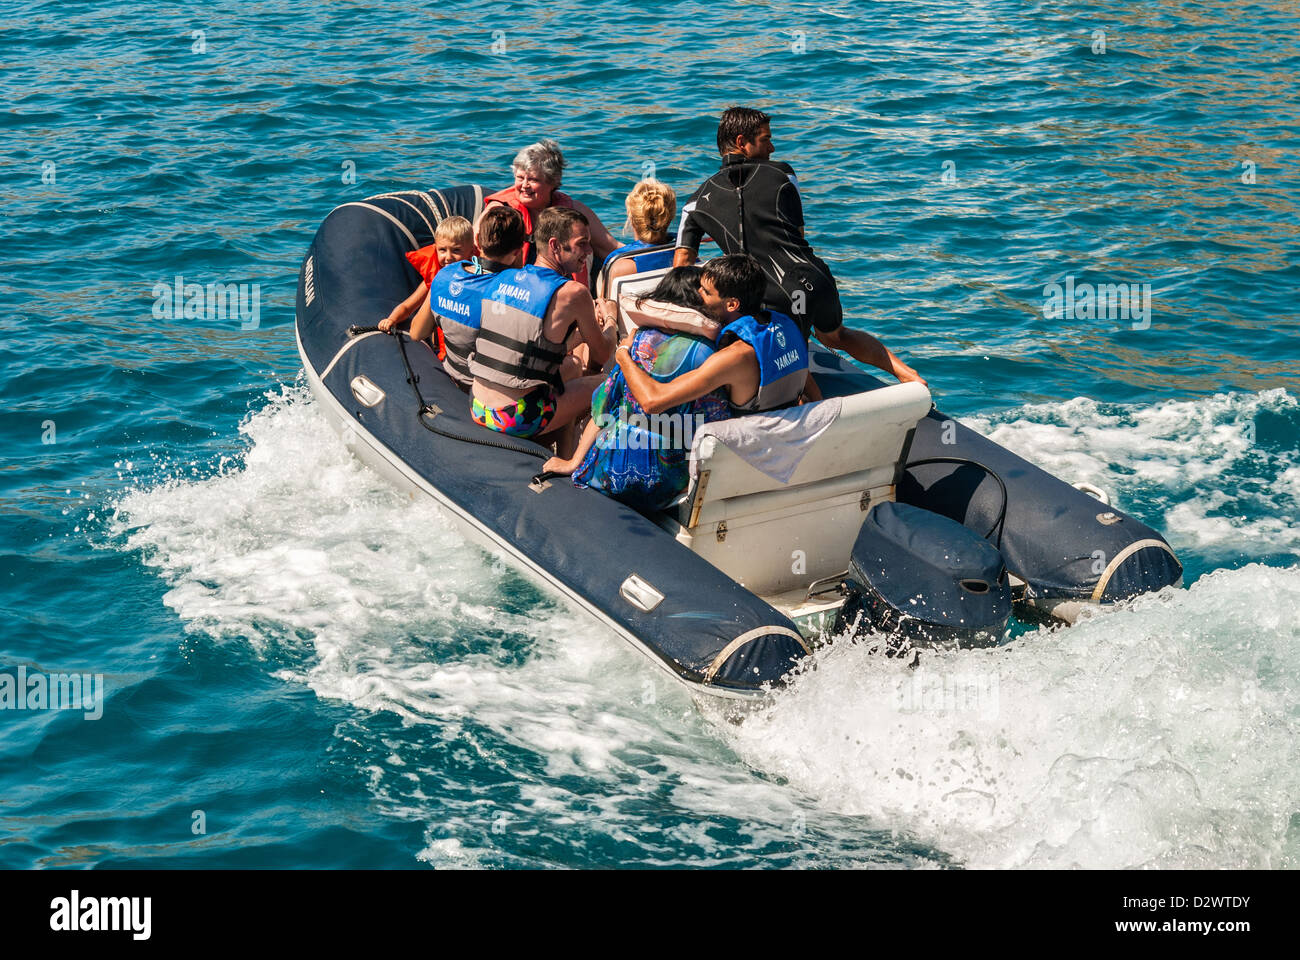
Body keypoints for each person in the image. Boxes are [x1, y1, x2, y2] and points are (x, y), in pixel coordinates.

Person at [673, 106, 925, 387]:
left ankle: (815, 416)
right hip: (815, 279)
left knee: (791, 361)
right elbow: (796, 234)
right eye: (766, 139)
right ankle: (909, 376)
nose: (772, 147)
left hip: (772, 296)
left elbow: (681, 264)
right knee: (835, 336)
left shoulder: (695, 201)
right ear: (742, 142)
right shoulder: (783, 174)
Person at [542, 266, 730, 512]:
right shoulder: (707, 353)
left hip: (610, 472)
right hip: (666, 484)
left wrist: (573, 462)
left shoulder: (637, 342)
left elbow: (601, 411)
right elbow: (716, 426)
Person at [468, 207, 612, 449]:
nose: (589, 251)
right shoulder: (573, 293)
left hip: (477, 405)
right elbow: (601, 353)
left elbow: (530, 346)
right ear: (555, 245)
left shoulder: (502, 278)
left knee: (572, 368)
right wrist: (611, 320)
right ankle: (574, 459)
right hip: (514, 417)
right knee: (609, 383)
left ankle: (556, 451)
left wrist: (575, 339)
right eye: (582, 243)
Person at [614, 254, 810, 421]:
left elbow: (653, 402)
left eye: (706, 292)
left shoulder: (735, 356)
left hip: (756, 440)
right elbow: (806, 383)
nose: (698, 294)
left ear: (732, 304)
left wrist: (623, 355)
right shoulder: (785, 326)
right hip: (791, 419)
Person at [399, 204, 526, 390]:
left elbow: (417, 333)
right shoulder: (519, 295)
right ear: (517, 251)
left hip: (454, 377)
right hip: (494, 389)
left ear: (478, 244)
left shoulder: (442, 278)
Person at [483, 139, 619, 285]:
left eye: (533, 179)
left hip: (566, 290)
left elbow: (612, 249)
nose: (524, 185)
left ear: (552, 182)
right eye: (520, 178)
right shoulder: (502, 212)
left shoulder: (576, 212)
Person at [379, 216, 475, 333]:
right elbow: (407, 306)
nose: (448, 257)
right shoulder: (435, 278)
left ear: (471, 251)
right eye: (442, 250)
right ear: (436, 249)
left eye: (456, 250)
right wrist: (392, 319)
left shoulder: (480, 279)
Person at [599, 180, 678, 294]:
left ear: (631, 218)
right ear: (669, 218)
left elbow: (604, 308)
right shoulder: (687, 256)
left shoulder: (620, 267)